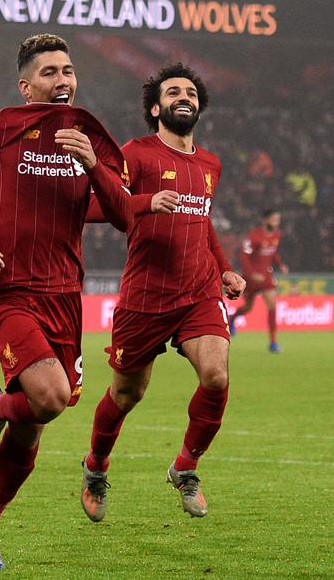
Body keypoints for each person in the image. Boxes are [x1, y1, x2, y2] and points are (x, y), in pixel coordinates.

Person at [0, 34, 146, 571]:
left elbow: (124, 214)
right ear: (26, 85)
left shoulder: (89, 138)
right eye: (49, 72)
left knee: (37, 420)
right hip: (8, 289)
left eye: (68, 70)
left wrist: (94, 166)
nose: (62, 80)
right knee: (47, 397)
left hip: (65, 295)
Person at [80, 63, 247, 525]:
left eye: (190, 92)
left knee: (216, 376)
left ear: (199, 106)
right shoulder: (135, 154)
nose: (184, 97)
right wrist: (143, 203)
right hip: (145, 297)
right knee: (127, 393)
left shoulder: (210, 164)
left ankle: (185, 468)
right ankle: (95, 466)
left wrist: (226, 269)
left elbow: (203, 222)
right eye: (173, 92)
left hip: (198, 292)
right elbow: (96, 207)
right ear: (156, 108)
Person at [229, 210, 288, 352]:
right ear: (265, 220)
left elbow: (273, 252)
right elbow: (244, 257)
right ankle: (232, 318)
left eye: (278, 220)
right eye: (274, 219)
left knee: (272, 306)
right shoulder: (254, 236)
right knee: (248, 308)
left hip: (266, 276)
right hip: (251, 278)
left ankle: (273, 342)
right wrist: (251, 274)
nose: (276, 223)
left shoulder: (276, 235)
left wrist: (280, 265)